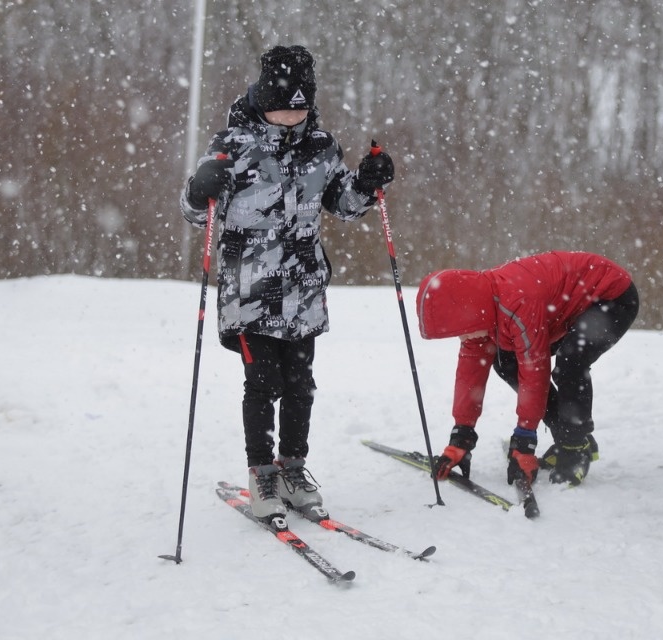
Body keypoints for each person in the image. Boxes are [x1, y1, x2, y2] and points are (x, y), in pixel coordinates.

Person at [180, 46, 394, 519]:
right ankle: (262, 476)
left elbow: (342, 202)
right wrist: (201, 187)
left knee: (301, 384)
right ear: (262, 98)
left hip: (304, 291)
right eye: (284, 108)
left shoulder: (321, 146)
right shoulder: (232, 145)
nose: (292, 118)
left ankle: (293, 469)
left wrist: (367, 182)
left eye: (301, 109)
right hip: (250, 293)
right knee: (263, 383)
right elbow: (197, 213)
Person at [415, 251, 638, 487]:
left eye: (459, 331)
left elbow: (534, 368)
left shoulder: (517, 302)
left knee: (570, 364)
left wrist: (524, 440)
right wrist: (462, 435)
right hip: (565, 308)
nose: (462, 337)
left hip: (611, 296)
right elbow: (471, 374)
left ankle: (575, 448)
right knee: (504, 362)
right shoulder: (477, 314)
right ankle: (568, 435)